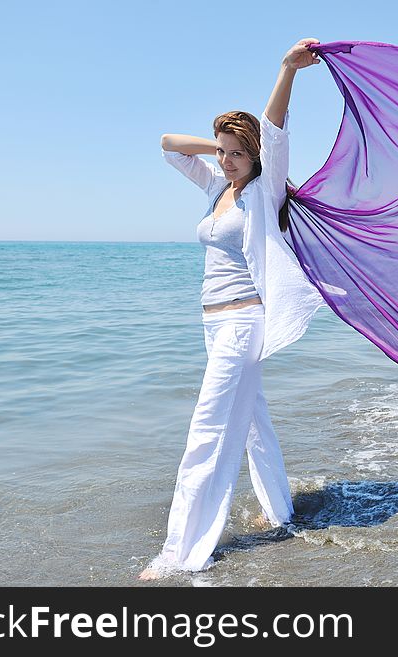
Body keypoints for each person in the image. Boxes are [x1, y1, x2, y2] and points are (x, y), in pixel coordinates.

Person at [139, 38, 326, 580]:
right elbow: (169, 145)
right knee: (251, 427)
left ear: (257, 158)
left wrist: (285, 71)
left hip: (245, 321)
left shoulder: (264, 191)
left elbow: (274, 128)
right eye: (223, 153)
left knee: (208, 427)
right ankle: (281, 512)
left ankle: (182, 550)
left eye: (237, 154)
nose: (226, 161)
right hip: (212, 322)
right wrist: (221, 142)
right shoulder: (216, 187)